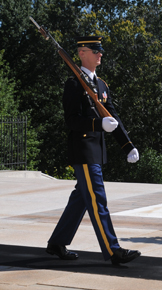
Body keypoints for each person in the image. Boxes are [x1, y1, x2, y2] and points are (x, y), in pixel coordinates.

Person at [46, 36, 141, 265]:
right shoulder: (74, 84)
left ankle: (57, 242)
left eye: (100, 51)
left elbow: (113, 117)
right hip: (84, 151)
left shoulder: (101, 84)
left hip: (96, 151)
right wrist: (98, 125)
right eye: (95, 50)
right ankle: (113, 250)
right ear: (81, 53)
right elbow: (71, 121)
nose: (100, 54)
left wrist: (127, 145)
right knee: (97, 199)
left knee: (81, 198)